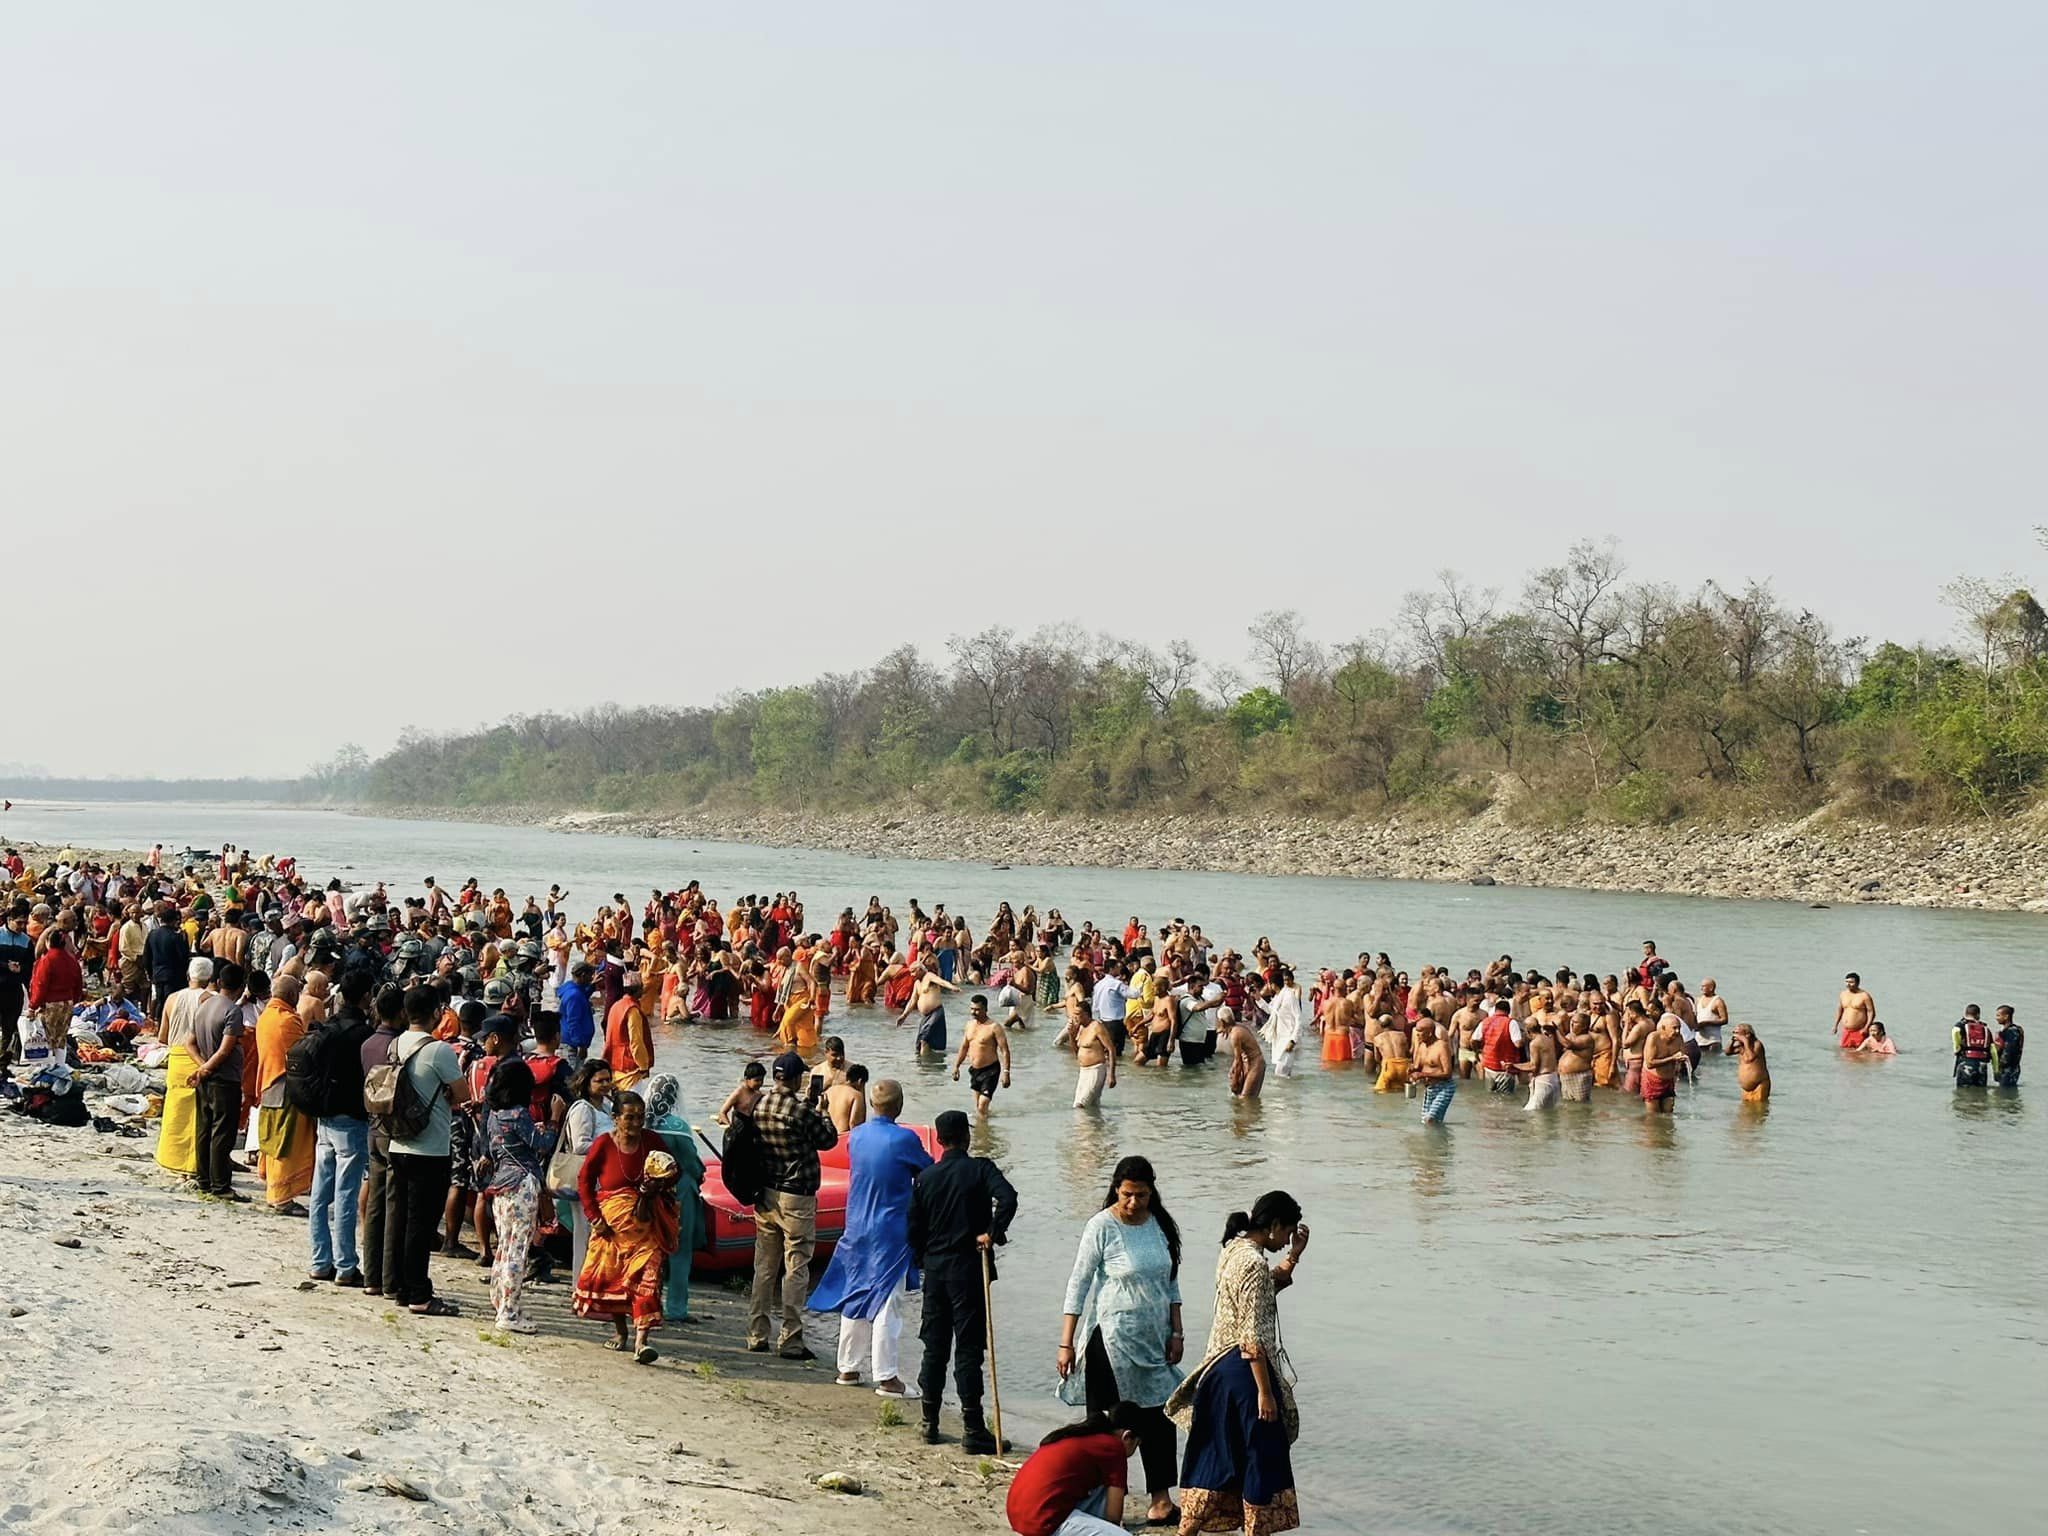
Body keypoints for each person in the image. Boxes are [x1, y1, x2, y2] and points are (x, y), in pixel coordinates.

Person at [1167, 1192, 1308, 1536]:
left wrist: (1293, 1257)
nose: (1287, 1239)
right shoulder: (1255, 1264)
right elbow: (1252, 1339)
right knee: (1259, 1459)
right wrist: (1265, 1393)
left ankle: (1186, 1530)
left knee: (1214, 1456)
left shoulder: (1233, 1249)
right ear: (1274, 1226)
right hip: (1246, 1376)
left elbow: (1254, 1296)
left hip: (1218, 1372)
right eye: (1287, 1232)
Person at [1056, 1157, 1184, 1528]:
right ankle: (1098, 1502)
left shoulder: (1159, 1224)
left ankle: (1161, 1501)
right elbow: (1078, 1284)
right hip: (1111, 1342)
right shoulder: (1101, 1227)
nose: (1133, 1202)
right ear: (1116, 1189)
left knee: (1161, 1418)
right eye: (1127, 1194)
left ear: (1151, 1192)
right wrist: (1066, 1343)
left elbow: (1171, 1282)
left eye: (1141, 1195)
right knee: (1106, 1425)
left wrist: (1176, 1332)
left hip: (1154, 1340)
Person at [810, 1077, 934, 1396]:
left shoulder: (858, 1136)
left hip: (856, 1224)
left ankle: (848, 1368)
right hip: (889, 1230)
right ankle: (886, 1376)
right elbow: (928, 1171)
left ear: (874, 1104)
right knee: (887, 1301)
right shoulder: (904, 1139)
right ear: (899, 1105)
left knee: (856, 1293)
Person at [908, 1107, 1017, 1452]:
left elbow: (913, 1229)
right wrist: (992, 1231)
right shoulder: (981, 1169)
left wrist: (924, 1258)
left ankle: (930, 1422)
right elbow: (1009, 1198)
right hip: (969, 1268)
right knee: (969, 1349)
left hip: (937, 1271)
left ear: (939, 1141)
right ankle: (973, 1428)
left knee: (934, 1347)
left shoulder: (926, 1178)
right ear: (967, 1138)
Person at [573, 1089, 681, 1362]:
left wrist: (657, 1185)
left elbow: (672, 1171)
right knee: (615, 1282)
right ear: (615, 1118)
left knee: (648, 1279)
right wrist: (595, 1218)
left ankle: (641, 1341)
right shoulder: (603, 1144)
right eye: (629, 1118)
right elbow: (584, 1181)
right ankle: (621, 1333)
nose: (635, 1124)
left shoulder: (652, 1141)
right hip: (610, 1228)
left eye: (640, 1118)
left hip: (647, 1227)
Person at [747, 1051, 840, 1359]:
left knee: (764, 1266)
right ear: (798, 1078)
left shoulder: (760, 1104)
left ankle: (757, 1333)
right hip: (796, 1195)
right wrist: (824, 1111)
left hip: (766, 1193)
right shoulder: (800, 1111)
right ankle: (791, 1337)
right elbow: (828, 1140)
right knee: (796, 1266)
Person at [383, 987, 469, 1316]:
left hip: (397, 1140)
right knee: (422, 1223)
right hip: (430, 1146)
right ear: (435, 1014)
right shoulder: (439, 1050)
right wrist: (446, 1091)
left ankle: (405, 1287)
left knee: (405, 1218)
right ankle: (419, 1293)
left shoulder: (396, 1043)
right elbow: (461, 1093)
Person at [306, 969, 374, 1285]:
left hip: (324, 1116)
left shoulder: (328, 1027)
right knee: (345, 1194)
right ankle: (346, 1265)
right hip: (351, 1118)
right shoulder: (363, 1034)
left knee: (320, 1193)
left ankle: (320, 1261)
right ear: (365, 997)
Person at [1006, 1401, 1146, 1536]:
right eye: (1136, 1444)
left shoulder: (1083, 1435)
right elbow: (1113, 1517)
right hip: (1043, 1521)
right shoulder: (1114, 1447)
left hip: (1019, 1514)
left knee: (1102, 1486)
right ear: (1127, 1436)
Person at [484, 1057, 550, 1332]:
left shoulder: (493, 1116)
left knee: (504, 1247)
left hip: (500, 1185)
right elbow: (541, 1145)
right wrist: (553, 1123)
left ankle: (501, 1302)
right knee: (518, 1251)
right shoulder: (519, 1115)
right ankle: (508, 1314)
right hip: (522, 1185)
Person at [640, 1071, 707, 1325]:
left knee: (651, 1248)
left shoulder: (643, 1124)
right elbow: (691, 1162)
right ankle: (676, 1307)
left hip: (650, 1193)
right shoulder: (678, 1126)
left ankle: (646, 1302)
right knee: (679, 1249)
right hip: (680, 1192)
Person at [188, 961, 249, 1201]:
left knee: (204, 1128)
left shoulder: (205, 1005)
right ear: (241, 986)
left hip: (206, 1077)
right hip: (223, 1079)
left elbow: (189, 1042)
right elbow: (225, 1051)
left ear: (219, 982)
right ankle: (220, 1185)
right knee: (223, 1133)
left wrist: (201, 1067)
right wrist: (207, 1068)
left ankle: (204, 1179)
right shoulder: (232, 1011)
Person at [154, 956, 216, 1182]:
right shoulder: (209, 999)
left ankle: (171, 1159)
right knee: (197, 1115)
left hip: (177, 1059)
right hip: (198, 1058)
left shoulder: (172, 999)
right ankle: (193, 1164)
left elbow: (162, 1036)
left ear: (189, 975)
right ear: (210, 978)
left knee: (175, 1111)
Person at [558, 1060, 616, 1281]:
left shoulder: (607, 1107)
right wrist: (610, 1146)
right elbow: (580, 1145)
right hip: (587, 1179)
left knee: (599, 1236)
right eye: (599, 1080)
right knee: (584, 1235)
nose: (605, 1084)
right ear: (586, 1082)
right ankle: (580, 1286)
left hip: (606, 1180)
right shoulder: (583, 1109)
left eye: (608, 1080)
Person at [952, 994, 1014, 1115]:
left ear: (985, 1009)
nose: (973, 1012)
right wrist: (956, 1066)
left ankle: (984, 1129)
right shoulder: (969, 1025)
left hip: (991, 1070)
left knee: (982, 1104)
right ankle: (982, 1130)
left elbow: (1005, 1050)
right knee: (979, 1108)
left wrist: (1006, 1073)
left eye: (977, 1009)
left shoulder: (994, 1027)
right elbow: (964, 1047)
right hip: (975, 1070)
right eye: (972, 1009)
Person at [602, 971, 652, 1091]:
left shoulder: (616, 1006)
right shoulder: (632, 1010)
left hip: (614, 1063)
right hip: (629, 1067)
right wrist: (643, 1065)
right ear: (638, 989)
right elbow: (636, 1042)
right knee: (633, 1103)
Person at [899, 961, 959, 1057]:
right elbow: (912, 1001)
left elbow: (941, 981)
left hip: (936, 1012)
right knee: (920, 1044)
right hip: (926, 1016)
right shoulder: (917, 983)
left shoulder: (929, 976)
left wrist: (952, 987)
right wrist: (904, 1015)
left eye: (913, 972)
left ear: (919, 970)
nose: (911, 975)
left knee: (924, 1039)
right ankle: (923, 1064)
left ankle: (925, 1068)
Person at [1072, 1001, 1119, 1110]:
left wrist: (1111, 1074)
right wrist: (1071, 1034)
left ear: (1086, 1014)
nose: (1075, 1017)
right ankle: (1095, 1126)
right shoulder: (1081, 1028)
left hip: (1096, 1070)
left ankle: (1083, 1125)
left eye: (1078, 1014)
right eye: (1074, 1014)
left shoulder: (1096, 1026)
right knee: (1091, 1106)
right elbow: (1076, 1051)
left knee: (1081, 1106)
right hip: (1083, 1071)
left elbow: (1111, 1049)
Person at [1641, 1010, 1686, 1114]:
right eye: (1674, 1028)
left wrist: (1683, 1060)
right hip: (1652, 1080)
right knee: (1653, 1117)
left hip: (1669, 1081)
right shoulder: (1653, 1038)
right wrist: (1672, 1058)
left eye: (1679, 1028)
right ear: (1663, 1028)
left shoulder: (1679, 1038)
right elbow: (1650, 1063)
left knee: (1668, 1115)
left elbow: (1682, 1055)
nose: (1678, 1031)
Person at [1412, 1017, 1455, 1124]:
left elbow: (1447, 1073)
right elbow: (1417, 1066)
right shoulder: (1422, 1046)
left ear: (1430, 1033)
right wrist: (1410, 1070)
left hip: (1444, 1087)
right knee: (1428, 1122)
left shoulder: (1442, 1046)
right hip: (1429, 1088)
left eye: (1420, 1032)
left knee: (1430, 1120)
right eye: (1416, 1032)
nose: (1417, 1035)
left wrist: (1422, 1074)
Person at [1217, 1007, 1265, 1099]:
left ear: (1222, 1022)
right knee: (1240, 1097)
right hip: (1250, 1063)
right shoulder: (1238, 1027)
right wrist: (1233, 1069)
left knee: (1245, 1099)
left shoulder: (1235, 1035)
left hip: (1256, 1064)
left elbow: (1238, 1061)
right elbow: (1239, 1058)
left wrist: (1234, 1082)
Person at [557, 962, 597, 1066]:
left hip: (570, 1041)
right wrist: (580, 1044)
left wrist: (591, 987)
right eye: (590, 976)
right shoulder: (575, 996)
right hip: (572, 1046)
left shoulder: (571, 989)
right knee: (574, 1078)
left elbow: (582, 996)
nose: (591, 979)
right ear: (583, 975)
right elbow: (573, 1022)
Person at [715, 1060, 765, 1126]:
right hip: (738, 1128)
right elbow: (722, 1112)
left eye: (762, 1080)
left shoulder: (758, 1094)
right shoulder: (739, 1092)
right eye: (756, 1080)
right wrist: (728, 1126)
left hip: (752, 1129)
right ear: (747, 1079)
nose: (760, 1083)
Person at [1954, 1006, 1994, 1088]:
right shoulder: (1986, 1029)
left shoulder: (1960, 1026)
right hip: (1982, 1066)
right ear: (1978, 1015)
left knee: (1962, 1095)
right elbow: (1993, 1051)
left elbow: (1955, 1033)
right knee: (1981, 1095)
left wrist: (1956, 1048)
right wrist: (1996, 1070)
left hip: (1965, 1064)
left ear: (1965, 1014)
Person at [1729, 1024, 1771, 1102]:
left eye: (1738, 1033)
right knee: (1745, 1112)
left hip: (1759, 1085)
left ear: (1747, 1034)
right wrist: (1732, 1041)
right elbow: (1728, 1052)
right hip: (1746, 1089)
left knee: (1759, 1111)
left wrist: (1745, 1041)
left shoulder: (1757, 1044)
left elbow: (1750, 1058)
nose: (1736, 1035)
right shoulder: (1741, 1047)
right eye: (1734, 1032)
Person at [825, 1062, 869, 1133]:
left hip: (827, 1136)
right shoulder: (856, 1095)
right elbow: (854, 1123)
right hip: (843, 1137)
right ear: (860, 1081)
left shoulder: (829, 1090)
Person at [1835, 973, 1876, 1050]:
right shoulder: (1843, 994)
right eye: (1847, 982)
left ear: (1857, 983)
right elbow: (1840, 1009)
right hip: (1846, 1030)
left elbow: (1871, 1012)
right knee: (1844, 1052)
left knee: (1860, 1053)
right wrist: (1836, 1025)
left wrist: (1866, 1027)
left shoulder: (1864, 996)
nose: (1848, 984)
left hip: (1860, 1030)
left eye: (1851, 982)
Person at [1992, 1005, 2023, 1088]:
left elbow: (2009, 1051)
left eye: (1998, 1015)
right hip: (2011, 1068)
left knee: (2004, 1093)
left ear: (2006, 1016)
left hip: (2008, 1069)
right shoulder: (2009, 1030)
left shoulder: (2011, 1031)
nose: (1996, 1018)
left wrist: (2000, 1065)